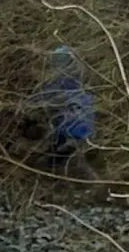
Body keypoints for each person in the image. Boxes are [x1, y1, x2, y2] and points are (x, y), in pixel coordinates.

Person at [28, 45, 97, 179]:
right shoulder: (80, 82)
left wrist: (28, 104)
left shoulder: (60, 83)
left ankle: (55, 166)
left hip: (71, 128)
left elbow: (45, 97)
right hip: (83, 129)